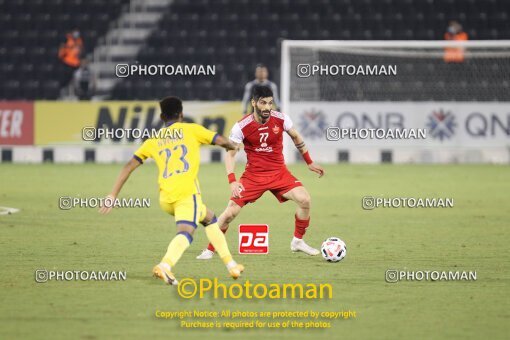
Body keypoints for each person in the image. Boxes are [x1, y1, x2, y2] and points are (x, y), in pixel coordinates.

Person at [99, 96, 244, 285]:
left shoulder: (153, 140)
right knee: (186, 233)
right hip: (186, 195)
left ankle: (231, 265)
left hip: (165, 198)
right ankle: (165, 266)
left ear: (161, 117)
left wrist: (112, 195)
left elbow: (128, 166)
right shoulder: (191, 129)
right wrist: (233, 146)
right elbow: (220, 140)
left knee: (210, 219)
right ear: (181, 114)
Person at [196, 85, 324, 260]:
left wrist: (309, 161)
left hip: (279, 172)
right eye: (263, 103)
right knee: (230, 213)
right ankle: (210, 249)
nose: (267, 107)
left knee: (305, 199)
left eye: (270, 103)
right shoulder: (241, 126)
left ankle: (297, 241)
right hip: (253, 176)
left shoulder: (281, 119)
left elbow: (296, 137)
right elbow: (231, 153)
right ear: (254, 103)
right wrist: (232, 181)